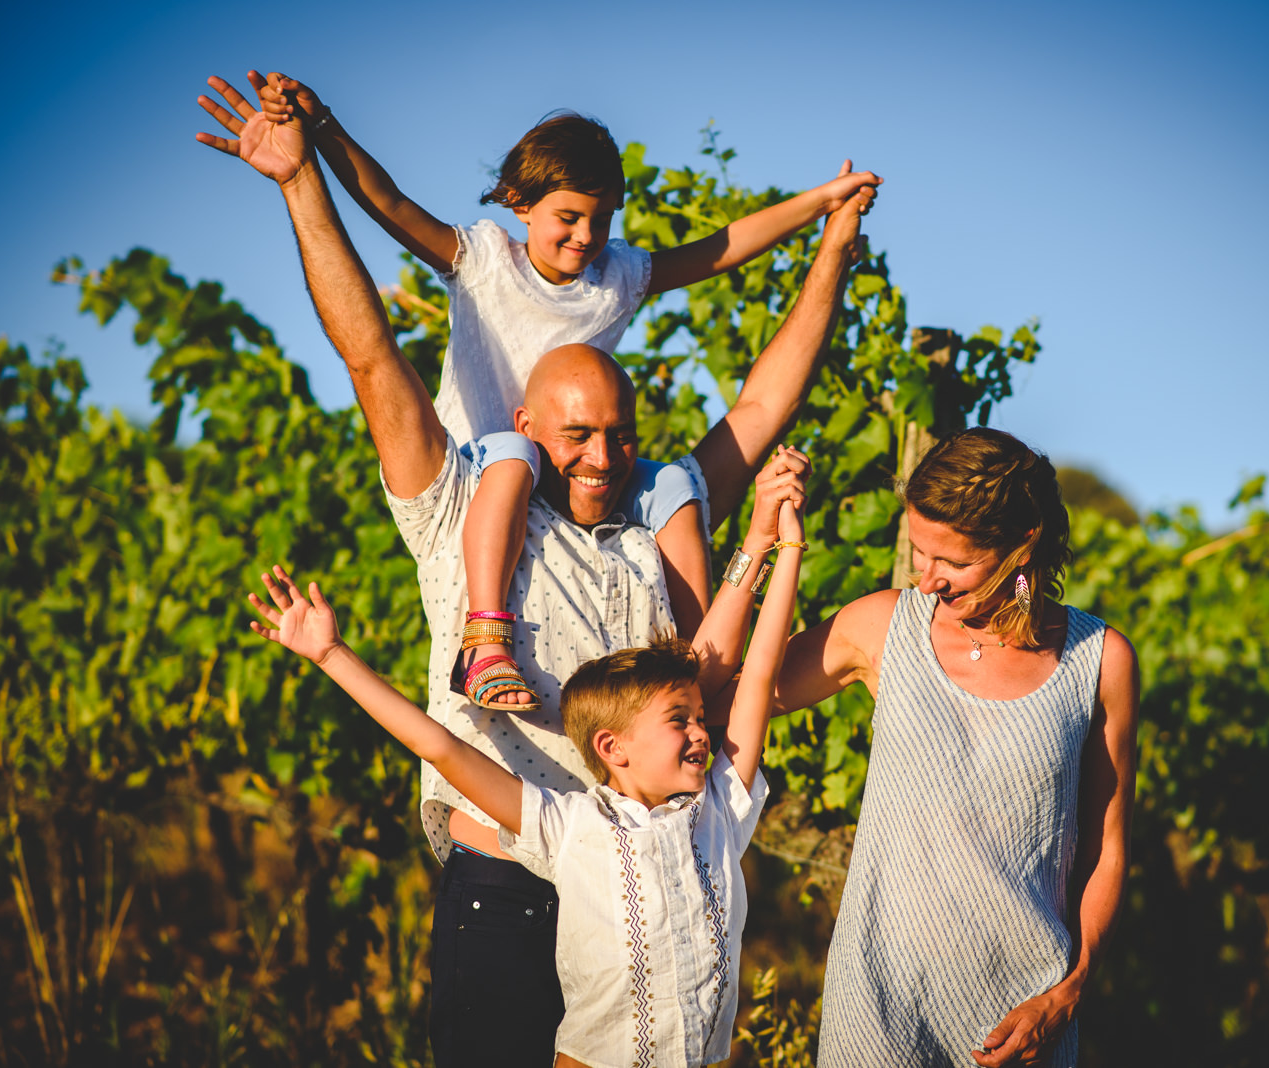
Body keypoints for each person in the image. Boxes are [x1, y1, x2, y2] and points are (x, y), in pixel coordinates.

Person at [194, 72, 866, 1065]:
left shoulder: (650, 525)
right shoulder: (463, 510)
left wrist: (831, 249)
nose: (602, 456)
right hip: (506, 885)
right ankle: (485, 641)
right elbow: (372, 358)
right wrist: (303, 182)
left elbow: (766, 405)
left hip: (640, 886)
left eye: (619, 436)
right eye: (578, 436)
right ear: (528, 430)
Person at [252, 72, 879, 710]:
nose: (585, 236)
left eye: (602, 220)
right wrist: (324, 130)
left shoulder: (617, 276)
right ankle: (487, 637)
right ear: (519, 202)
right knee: (516, 456)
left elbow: (717, 250)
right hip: (483, 458)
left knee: (675, 485)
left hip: (560, 465)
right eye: (569, 217)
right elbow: (389, 205)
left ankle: (697, 664)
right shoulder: (483, 259)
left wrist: (821, 204)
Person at [245, 451, 809, 1068]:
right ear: (610, 748)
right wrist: (331, 656)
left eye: (700, 718)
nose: (703, 733)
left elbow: (757, 677)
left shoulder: (718, 813)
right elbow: (439, 745)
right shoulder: (572, 828)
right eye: (680, 721)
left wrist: (786, 551)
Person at [747, 428, 1139, 1068]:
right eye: (918, 553)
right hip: (878, 1004)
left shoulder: (1100, 661)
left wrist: (1070, 991)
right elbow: (740, 693)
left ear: (1022, 546)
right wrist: (764, 542)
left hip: (1022, 1019)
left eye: (953, 564)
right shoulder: (879, 626)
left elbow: (1107, 843)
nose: (926, 580)